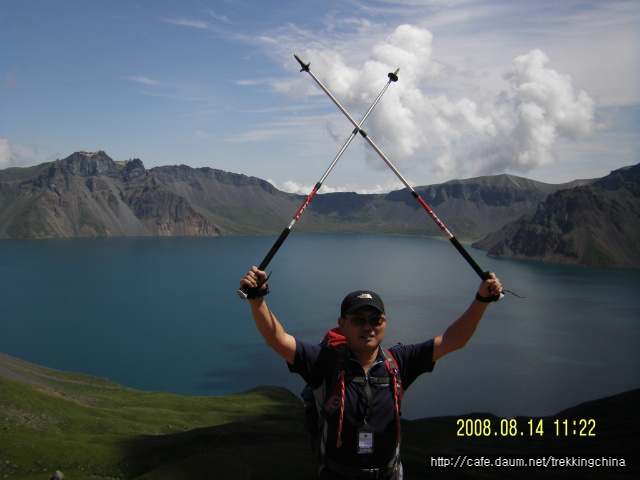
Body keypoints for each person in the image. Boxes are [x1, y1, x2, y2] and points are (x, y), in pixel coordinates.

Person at [240, 266, 502, 479]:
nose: (368, 327)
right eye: (358, 319)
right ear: (342, 324)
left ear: (384, 323)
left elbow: (452, 340)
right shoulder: (325, 361)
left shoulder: (398, 362)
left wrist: (481, 300)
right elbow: (277, 339)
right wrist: (257, 298)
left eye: (375, 319)